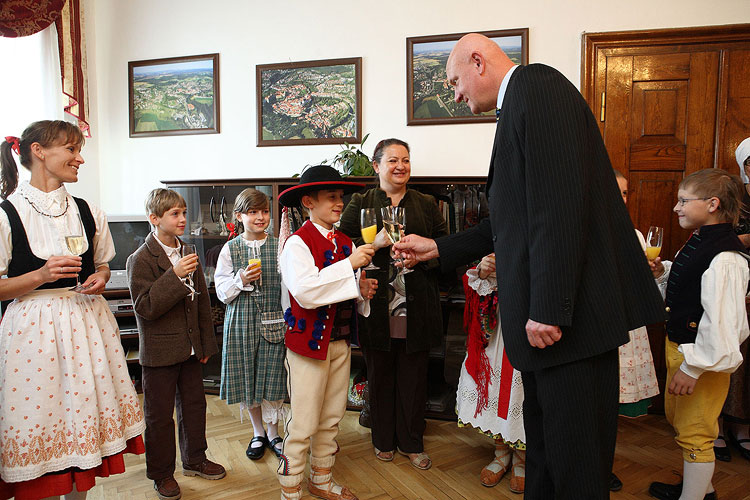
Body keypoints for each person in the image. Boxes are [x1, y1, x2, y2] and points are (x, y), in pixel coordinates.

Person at [393, 33, 666, 499]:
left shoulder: (536, 87)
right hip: (557, 333)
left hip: (569, 326)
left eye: (455, 80)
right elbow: (509, 223)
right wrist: (436, 248)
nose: (455, 95)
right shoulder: (521, 101)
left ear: (478, 61)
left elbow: (559, 208)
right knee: (545, 455)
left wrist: (550, 308)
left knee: (575, 468)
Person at [0, 121, 146, 500]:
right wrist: (40, 275)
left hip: (86, 326)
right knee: (41, 421)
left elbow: (100, 264)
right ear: (38, 151)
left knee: (82, 426)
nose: (79, 158)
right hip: (33, 332)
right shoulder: (6, 214)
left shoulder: (88, 211)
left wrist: (99, 276)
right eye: (70, 149)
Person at [338, 138, 448, 470]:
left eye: (406, 160)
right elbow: (341, 247)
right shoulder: (360, 202)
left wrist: (422, 258)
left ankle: (412, 442)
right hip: (375, 304)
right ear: (376, 166)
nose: (400, 166)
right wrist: (375, 243)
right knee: (380, 375)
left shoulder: (426, 203)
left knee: (414, 378)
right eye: (392, 160)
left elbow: (446, 247)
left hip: (417, 305)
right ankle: (383, 440)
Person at [647, 168, 749, 500]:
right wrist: (664, 272)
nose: (676, 207)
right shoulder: (703, 240)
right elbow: (692, 287)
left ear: (712, 204)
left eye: (683, 201)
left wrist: (694, 368)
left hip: (699, 360)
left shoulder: (726, 257)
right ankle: (702, 488)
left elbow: (723, 324)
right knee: (685, 424)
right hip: (683, 349)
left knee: (696, 434)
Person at [276, 165, 377, 500]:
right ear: (308, 201)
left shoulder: (347, 241)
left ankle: (320, 481)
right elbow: (305, 291)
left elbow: (344, 292)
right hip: (307, 347)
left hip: (340, 343)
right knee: (303, 423)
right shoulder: (296, 243)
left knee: (332, 417)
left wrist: (362, 290)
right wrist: (349, 268)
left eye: (341, 197)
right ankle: (290, 491)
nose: (339, 203)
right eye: (331, 197)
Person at [127, 188, 226, 500]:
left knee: (195, 407)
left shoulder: (187, 251)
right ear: (154, 219)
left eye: (184, 212)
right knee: (158, 417)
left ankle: (195, 459)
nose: (183, 218)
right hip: (158, 354)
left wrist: (206, 345)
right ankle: (161, 474)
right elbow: (145, 307)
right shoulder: (140, 259)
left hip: (191, 349)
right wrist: (174, 275)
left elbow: (201, 304)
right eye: (175, 214)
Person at [215, 188, 287, 461]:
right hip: (241, 322)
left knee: (273, 380)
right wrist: (240, 280)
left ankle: (274, 433)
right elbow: (222, 292)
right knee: (249, 379)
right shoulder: (230, 248)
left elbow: (288, 288)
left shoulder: (281, 245)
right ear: (239, 216)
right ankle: (258, 432)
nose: (260, 217)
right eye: (253, 212)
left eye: (265, 211)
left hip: (274, 321)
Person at [456, 253, 526, 493]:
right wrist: (484, 270)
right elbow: (477, 283)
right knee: (495, 387)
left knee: (521, 394)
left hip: (533, 325)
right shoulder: (501, 231)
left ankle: (522, 459)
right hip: (499, 328)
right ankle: (501, 454)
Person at [609, 170, 660, 491]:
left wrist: (651, 272)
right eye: (617, 191)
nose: (622, 198)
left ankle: (605, 462)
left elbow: (641, 285)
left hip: (627, 328)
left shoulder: (636, 235)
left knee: (611, 408)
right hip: (603, 323)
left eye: (626, 193)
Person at [714, 137, 750, 463]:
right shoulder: (732, 195)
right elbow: (716, 236)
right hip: (733, 282)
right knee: (729, 355)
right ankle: (719, 428)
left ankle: (743, 428)